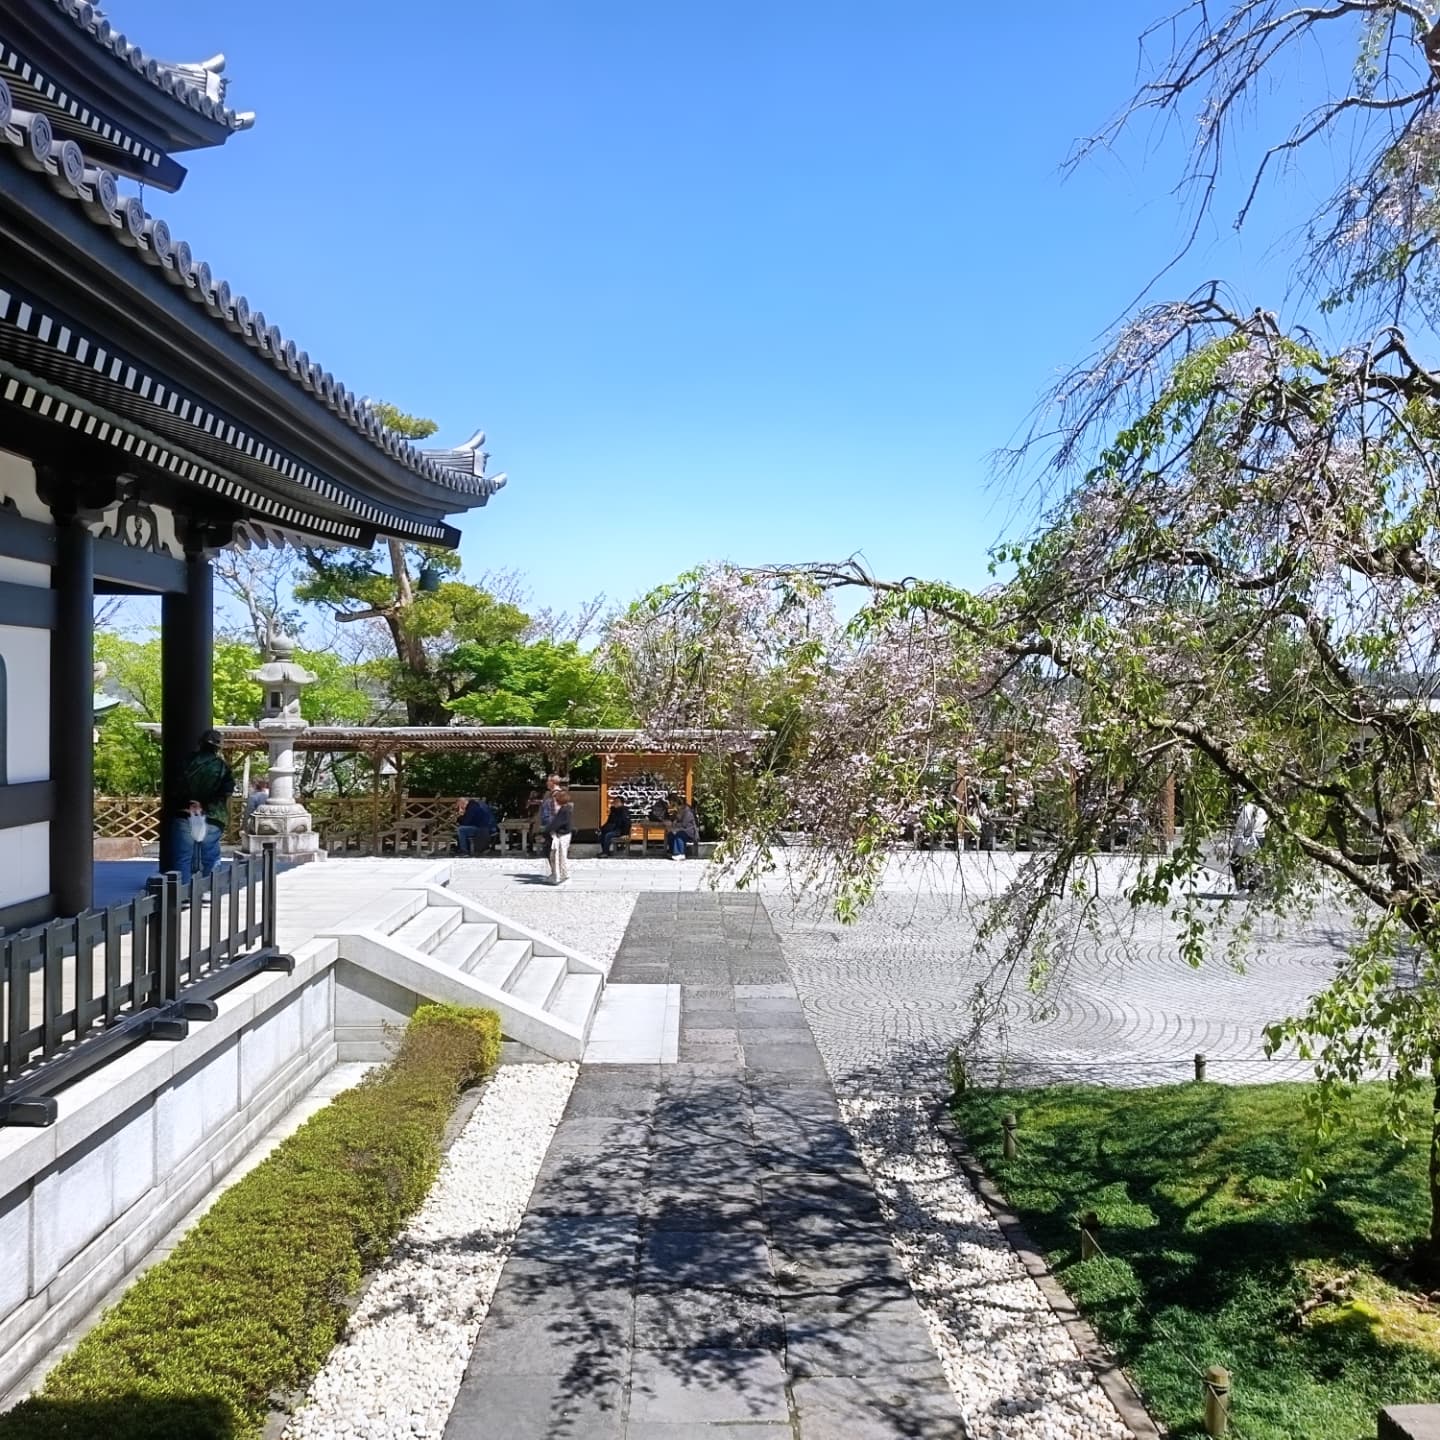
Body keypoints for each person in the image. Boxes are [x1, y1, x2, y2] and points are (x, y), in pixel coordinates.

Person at [170, 728, 235, 887]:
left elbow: (175, 788)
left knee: (183, 857)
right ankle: (209, 891)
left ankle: (182, 894)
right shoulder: (221, 767)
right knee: (211, 857)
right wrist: (204, 804)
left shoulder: (185, 762)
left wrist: (189, 803)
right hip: (212, 815)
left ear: (200, 743)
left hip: (184, 812)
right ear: (218, 747)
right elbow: (226, 791)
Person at [1230, 799, 1269, 892]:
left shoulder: (1248, 807)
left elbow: (1242, 825)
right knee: (1254, 864)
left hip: (1250, 838)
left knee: (1235, 861)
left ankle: (1243, 886)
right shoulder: (1265, 808)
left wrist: (1236, 842)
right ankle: (1254, 887)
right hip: (1260, 837)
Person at [545, 787, 574, 884]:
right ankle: (559, 874)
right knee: (559, 856)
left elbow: (557, 823)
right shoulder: (566, 809)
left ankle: (562, 876)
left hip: (562, 835)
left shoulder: (564, 810)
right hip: (564, 835)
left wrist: (548, 830)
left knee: (559, 856)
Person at [668, 796, 699, 861]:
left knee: (679, 834)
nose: (675, 807)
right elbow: (675, 821)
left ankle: (680, 853)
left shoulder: (688, 811)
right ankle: (671, 851)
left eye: (676, 805)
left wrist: (675, 827)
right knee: (670, 834)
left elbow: (684, 824)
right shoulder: (679, 811)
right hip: (681, 829)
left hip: (689, 831)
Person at [537, 774, 561, 857]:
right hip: (548, 823)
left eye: (548, 781)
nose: (546, 783)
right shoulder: (552, 793)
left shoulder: (556, 793)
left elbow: (557, 810)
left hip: (551, 824)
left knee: (551, 849)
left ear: (552, 782)